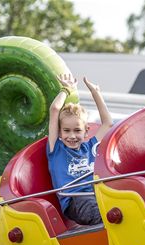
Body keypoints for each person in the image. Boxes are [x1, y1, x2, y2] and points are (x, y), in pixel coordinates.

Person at [47, 74, 113, 225]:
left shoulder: (90, 147)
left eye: (77, 131)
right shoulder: (56, 149)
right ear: (60, 132)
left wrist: (95, 93)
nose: (72, 136)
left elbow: (108, 123)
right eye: (66, 131)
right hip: (75, 200)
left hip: (98, 194)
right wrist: (67, 89)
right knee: (103, 216)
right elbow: (55, 109)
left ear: (86, 131)